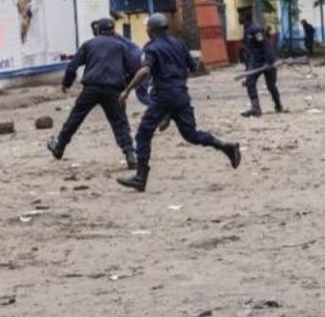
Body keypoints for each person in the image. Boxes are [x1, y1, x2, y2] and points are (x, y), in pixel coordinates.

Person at [116, 14, 241, 191]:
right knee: (191, 135)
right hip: (181, 95)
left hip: (163, 96)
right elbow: (194, 67)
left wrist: (127, 90)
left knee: (143, 134)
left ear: (150, 30)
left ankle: (140, 177)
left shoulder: (151, 47)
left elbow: (144, 71)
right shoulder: (179, 44)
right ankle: (226, 146)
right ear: (166, 28)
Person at [46, 18, 138, 169]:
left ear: (97, 31)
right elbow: (134, 68)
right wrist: (124, 86)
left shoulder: (89, 44)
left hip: (91, 88)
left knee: (75, 118)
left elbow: (72, 67)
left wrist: (66, 84)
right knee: (119, 122)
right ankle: (130, 155)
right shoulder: (121, 46)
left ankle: (59, 147)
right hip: (113, 89)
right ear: (112, 30)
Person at [240, 14, 283, 117]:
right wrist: (247, 66)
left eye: (240, 16)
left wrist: (269, 62)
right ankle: (256, 108)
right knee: (250, 81)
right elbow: (250, 50)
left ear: (245, 17)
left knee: (270, 85)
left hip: (265, 60)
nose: (238, 18)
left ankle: (277, 106)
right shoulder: (248, 29)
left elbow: (265, 45)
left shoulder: (255, 29)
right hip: (256, 61)